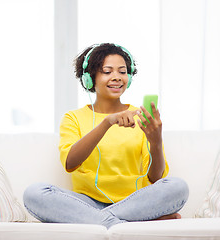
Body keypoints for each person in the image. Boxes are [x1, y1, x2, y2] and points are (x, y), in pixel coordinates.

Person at [23, 43, 189, 229]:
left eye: (122, 71)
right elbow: (70, 163)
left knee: (178, 187)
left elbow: (155, 179)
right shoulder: (73, 118)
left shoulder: (140, 116)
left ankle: (100, 221)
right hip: (86, 203)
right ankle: (128, 223)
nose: (116, 77)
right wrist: (107, 123)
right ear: (89, 78)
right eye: (107, 71)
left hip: (135, 202)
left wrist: (156, 141)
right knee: (34, 193)